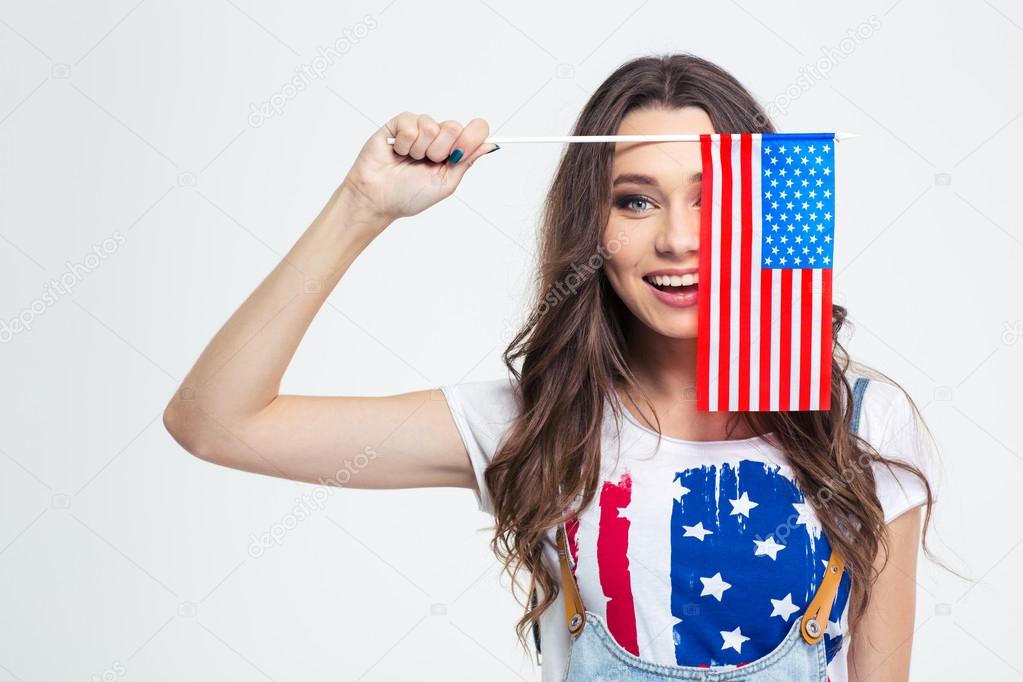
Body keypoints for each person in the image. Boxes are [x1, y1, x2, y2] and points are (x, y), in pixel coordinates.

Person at [163, 53, 940, 681]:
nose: (676, 239)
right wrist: (360, 206)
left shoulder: (863, 424)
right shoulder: (533, 425)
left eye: (708, 199)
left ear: (764, 209)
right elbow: (217, 424)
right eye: (634, 201)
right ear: (590, 227)